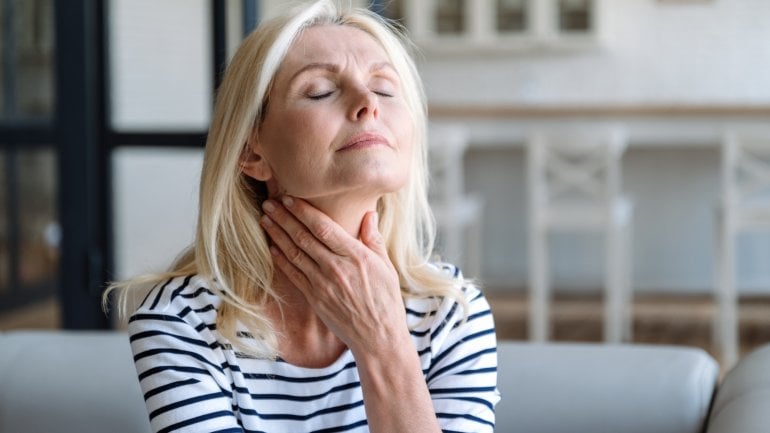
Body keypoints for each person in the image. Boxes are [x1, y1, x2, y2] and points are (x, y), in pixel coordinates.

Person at [106, 1, 499, 431]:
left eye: (386, 89)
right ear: (251, 152)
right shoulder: (179, 323)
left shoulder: (453, 314)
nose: (369, 103)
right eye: (320, 91)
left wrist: (383, 346)